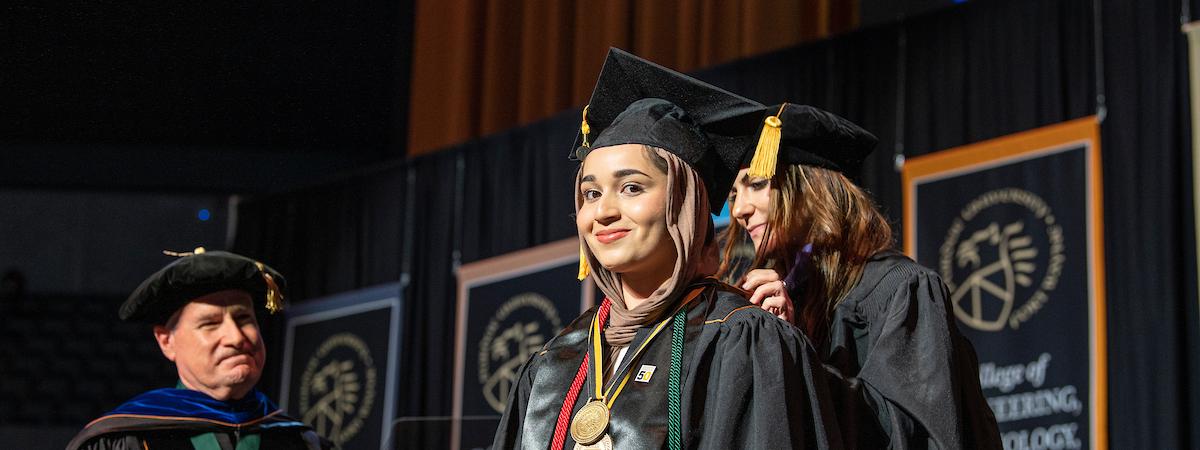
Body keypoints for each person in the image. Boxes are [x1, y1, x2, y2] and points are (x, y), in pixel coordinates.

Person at [491, 48, 841, 450]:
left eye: (632, 187)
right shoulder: (557, 358)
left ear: (685, 204)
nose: (602, 211)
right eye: (590, 193)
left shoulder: (739, 339)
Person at [724, 103, 1002, 449]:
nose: (739, 210)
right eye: (734, 194)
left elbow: (914, 436)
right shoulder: (786, 300)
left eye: (757, 184)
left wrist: (794, 355)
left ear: (814, 188)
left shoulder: (901, 290)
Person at [67, 248, 332, 450]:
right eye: (211, 323)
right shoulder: (124, 440)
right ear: (167, 342)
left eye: (243, 319)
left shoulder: (301, 441)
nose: (236, 337)